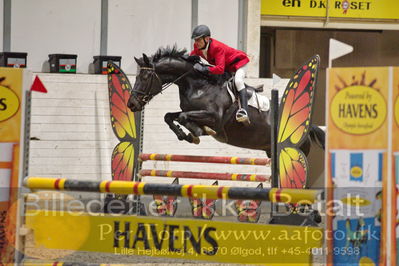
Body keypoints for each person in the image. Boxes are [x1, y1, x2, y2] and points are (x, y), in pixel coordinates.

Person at [190, 24, 250, 124]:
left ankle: (244, 111)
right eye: (195, 40)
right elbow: (192, 56)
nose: (196, 43)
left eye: (198, 40)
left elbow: (220, 69)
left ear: (207, 39)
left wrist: (204, 69)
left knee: (238, 81)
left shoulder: (217, 47)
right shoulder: (197, 47)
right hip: (227, 67)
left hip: (239, 64)